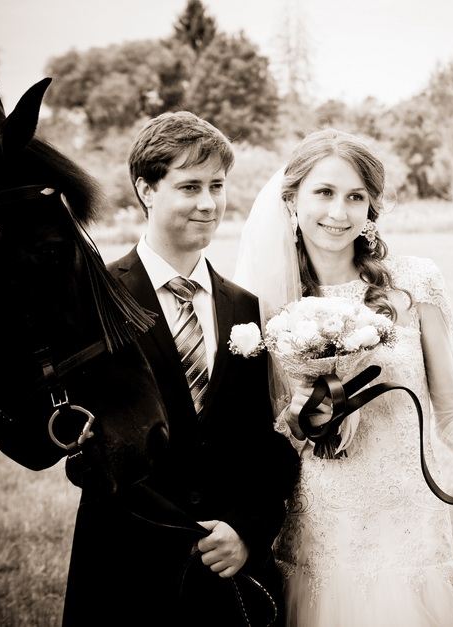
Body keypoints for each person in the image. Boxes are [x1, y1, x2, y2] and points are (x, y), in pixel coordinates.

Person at [234, 128, 453, 627]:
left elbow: (452, 409)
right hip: (320, 523)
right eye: (324, 193)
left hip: (408, 522)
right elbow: (257, 435)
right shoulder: (264, 304)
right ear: (291, 201)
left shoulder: (414, 284)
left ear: (372, 208)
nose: (339, 212)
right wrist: (298, 421)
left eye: (356, 197)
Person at [62, 112, 299, 626]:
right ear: (146, 189)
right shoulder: (95, 296)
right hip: (125, 569)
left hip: (224, 571)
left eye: (217, 185)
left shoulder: (244, 307)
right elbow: (81, 447)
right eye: (190, 186)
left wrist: (246, 530)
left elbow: (261, 444)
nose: (209, 203)